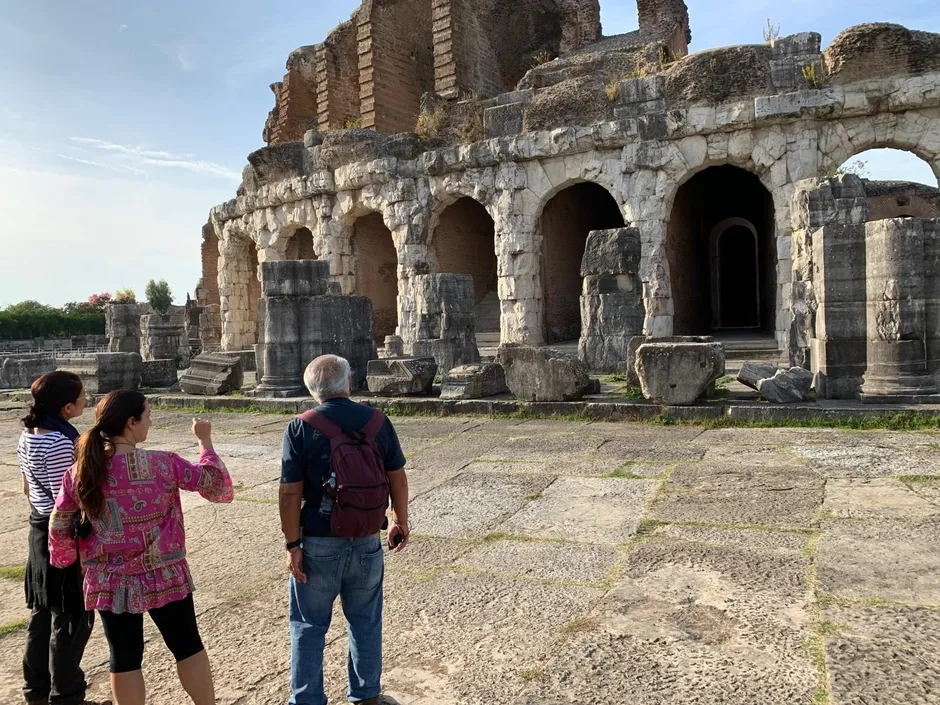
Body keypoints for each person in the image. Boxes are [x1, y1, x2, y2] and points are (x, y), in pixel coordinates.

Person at [48, 390, 234, 705]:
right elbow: (216, 485)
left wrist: (69, 559)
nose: (150, 421)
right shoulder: (163, 463)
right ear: (131, 422)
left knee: (123, 655)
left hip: (110, 579)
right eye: (147, 415)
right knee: (187, 645)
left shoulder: (81, 471)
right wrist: (205, 442)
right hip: (165, 573)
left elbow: (59, 525)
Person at [280, 355, 410, 705]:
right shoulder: (377, 422)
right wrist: (400, 519)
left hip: (319, 542)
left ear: (312, 390)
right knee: (365, 621)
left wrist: (293, 544)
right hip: (366, 539)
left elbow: (290, 492)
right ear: (349, 384)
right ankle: (366, 696)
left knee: (308, 626)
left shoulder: (300, 427)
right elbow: (396, 477)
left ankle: (307, 700)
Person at [18, 371, 94, 705]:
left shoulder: (29, 435)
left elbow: (28, 488)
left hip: (38, 524)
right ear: (66, 407)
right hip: (60, 531)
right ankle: (66, 695)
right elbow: (69, 499)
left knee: (42, 611)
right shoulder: (60, 441)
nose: (85, 401)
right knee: (71, 616)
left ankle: (36, 688)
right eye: (81, 397)